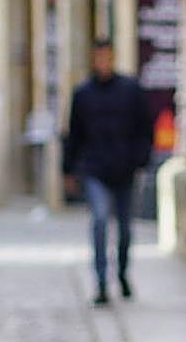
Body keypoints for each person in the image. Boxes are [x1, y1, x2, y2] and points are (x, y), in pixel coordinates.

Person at [63, 38, 153, 306]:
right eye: (98, 57)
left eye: (107, 57)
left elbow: (144, 128)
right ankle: (101, 281)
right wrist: (68, 170)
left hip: (125, 169)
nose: (103, 63)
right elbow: (74, 134)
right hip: (95, 168)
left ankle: (122, 272)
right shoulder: (83, 94)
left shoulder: (130, 90)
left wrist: (140, 159)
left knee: (124, 229)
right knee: (100, 220)